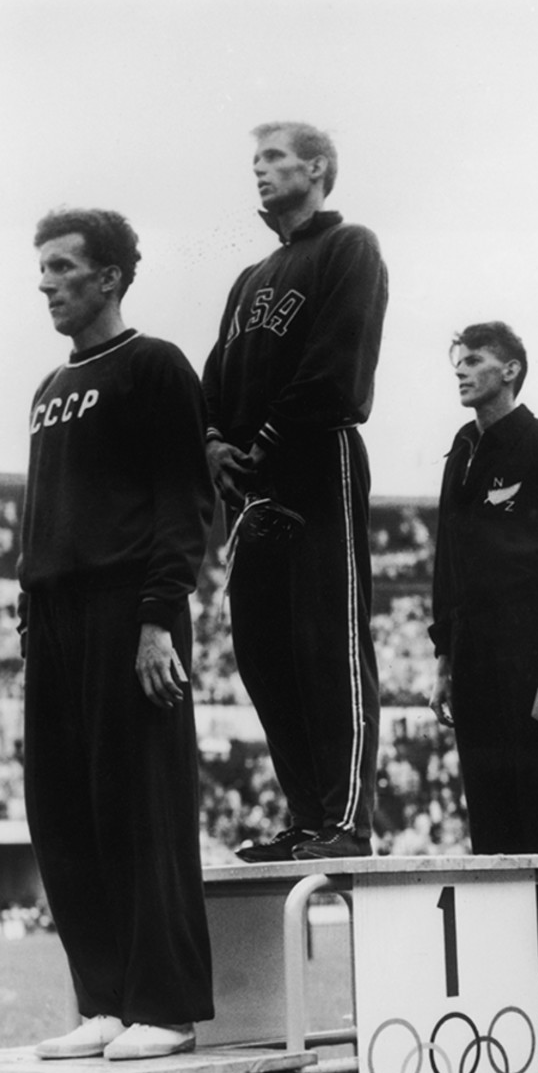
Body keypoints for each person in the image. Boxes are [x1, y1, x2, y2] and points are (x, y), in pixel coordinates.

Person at [18, 208, 214, 1060]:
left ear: (109, 277)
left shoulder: (154, 366)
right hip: (54, 618)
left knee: (141, 808)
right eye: (43, 269)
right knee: (62, 811)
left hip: (128, 609)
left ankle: (164, 1007)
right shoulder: (48, 391)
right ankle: (102, 999)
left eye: (63, 267)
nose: (47, 283)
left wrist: (157, 618)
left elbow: (183, 501)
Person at [202, 121, 388, 862]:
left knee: (327, 643)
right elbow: (214, 385)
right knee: (264, 653)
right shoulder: (249, 280)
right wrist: (213, 445)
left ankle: (346, 820)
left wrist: (264, 442)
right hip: (250, 486)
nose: (259, 169)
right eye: (253, 159)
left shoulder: (350, 247)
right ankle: (308, 818)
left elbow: (341, 369)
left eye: (274, 157)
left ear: (318, 168)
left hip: (315, 463)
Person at [428, 322, 538, 1003]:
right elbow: (447, 566)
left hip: (537, 652)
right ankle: (514, 956)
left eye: (473, 359)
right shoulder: (461, 456)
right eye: (458, 359)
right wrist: (443, 657)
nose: (461, 370)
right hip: (475, 660)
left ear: (511, 368)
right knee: (493, 812)